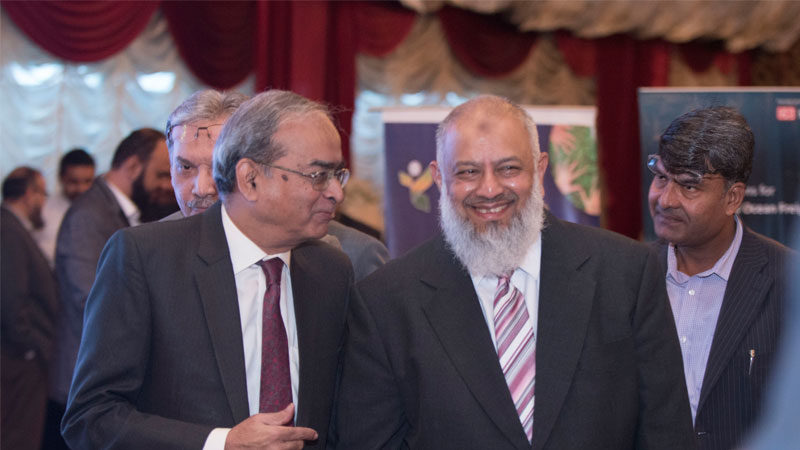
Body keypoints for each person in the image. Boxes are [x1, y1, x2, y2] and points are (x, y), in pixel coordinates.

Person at [335, 95, 695, 450]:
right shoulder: (385, 302)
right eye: (468, 172)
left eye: (508, 168)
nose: (489, 189)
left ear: (539, 169)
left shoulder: (627, 273)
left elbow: (666, 432)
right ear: (439, 178)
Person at [62, 90, 353, 450]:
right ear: (249, 179)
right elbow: (91, 418)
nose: (336, 193)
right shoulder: (145, 258)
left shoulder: (331, 272)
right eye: (317, 175)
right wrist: (221, 443)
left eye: (337, 174)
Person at [647, 106, 794, 450]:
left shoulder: (787, 282)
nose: (665, 200)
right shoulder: (627, 274)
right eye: (661, 178)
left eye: (688, 186)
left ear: (733, 198)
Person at [161, 89, 389, 281]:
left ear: (251, 174)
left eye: (217, 168)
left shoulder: (353, 256)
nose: (202, 188)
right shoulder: (151, 252)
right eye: (186, 167)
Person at [50, 128, 170, 432]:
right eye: (161, 174)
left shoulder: (117, 210)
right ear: (132, 166)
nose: (167, 185)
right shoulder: (89, 214)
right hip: (87, 381)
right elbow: (89, 299)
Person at [1, 167, 58, 450]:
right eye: (43, 194)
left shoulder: (13, 227)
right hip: (19, 360)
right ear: (29, 194)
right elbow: (11, 300)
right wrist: (33, 347)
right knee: (18, 437)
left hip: (23, 356)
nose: (44, 202)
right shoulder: (8, 230)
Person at [33, 148, 96, 267]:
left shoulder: (101, 212)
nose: (81, 189)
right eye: (74, 182)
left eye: (87, 181)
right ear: (61, 178)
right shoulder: (43, 210)